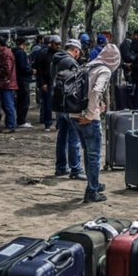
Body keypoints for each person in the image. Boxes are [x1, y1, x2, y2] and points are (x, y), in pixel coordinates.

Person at [70, 44, 121, 203]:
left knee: (87, 152)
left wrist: (97, 105)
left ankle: (94, 183)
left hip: (74, 114)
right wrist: (91, 114)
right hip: (88, 117)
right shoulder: (104, 70)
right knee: (94, 155)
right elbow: (96, 91)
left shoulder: (88, 66)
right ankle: (91, 191)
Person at [52, 39, 85, 179]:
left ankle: (60, 167)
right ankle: (75, 169)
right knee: (74, 138)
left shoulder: (54, 60)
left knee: (62, 137)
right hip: (70, 105)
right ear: (76, 50)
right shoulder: (71, 63)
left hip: (58, 104)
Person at [34, 35, 60, 132]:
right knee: (47, 103)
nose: (58, 46)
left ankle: (59, 123)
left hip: (58, 83)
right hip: (47, 82)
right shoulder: (42, 53)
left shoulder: (61, 54)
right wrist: (42, 83)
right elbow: (39, 69)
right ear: (51, 43)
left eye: (59, 44)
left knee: (59, 104)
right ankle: (47, 123)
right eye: (56, 44)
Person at [0, 37, 18, 133]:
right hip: (5, 83)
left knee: (8, 105)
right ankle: (9, 124)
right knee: (6, 105)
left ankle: (11, 126)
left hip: (7, 83)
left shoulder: (6, 54)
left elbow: (6, 70)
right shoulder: (4, 53)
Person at [12, 37, 34, 128]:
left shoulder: (14, 52)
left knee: (21, 99)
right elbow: (23, 66)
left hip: (18, 78)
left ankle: (20, 119)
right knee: (24, 100)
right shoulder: (20, 53)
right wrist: (31, 71)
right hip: (23, 79)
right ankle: (21, 120)